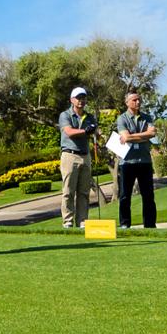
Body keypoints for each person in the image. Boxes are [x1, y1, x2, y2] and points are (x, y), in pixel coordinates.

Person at [113, 91, 157, 228]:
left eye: (139, 100)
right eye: (134, 100)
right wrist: (144, 136)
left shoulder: (147, 117)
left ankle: (150, 225)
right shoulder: (122, 119)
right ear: (127, 102)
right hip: (127, 163)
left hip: (145, 161)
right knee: (125, 195)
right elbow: (125, 137)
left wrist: (132, 137)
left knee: (148, 195)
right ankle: (125, 224)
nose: (138, 102)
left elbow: (152, 133)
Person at [57, 86, 97, 229]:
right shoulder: (65, 115)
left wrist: (93, 131)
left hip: (85, 155)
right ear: (72, 100)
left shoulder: (89, 117)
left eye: (83, 98)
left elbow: (94, 131)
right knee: (68, 190)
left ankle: (82, 221)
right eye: (78, 98)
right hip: (70, 155)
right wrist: (85, 131)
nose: (81, 100)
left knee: (84, 191)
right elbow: (69, 132)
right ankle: (68, 220)